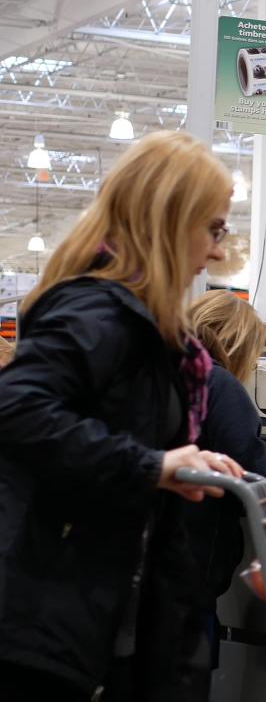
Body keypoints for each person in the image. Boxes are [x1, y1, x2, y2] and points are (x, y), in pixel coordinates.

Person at [0, 131, 245, 702]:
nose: (215, 252)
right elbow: (16, 408)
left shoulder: (144, 330)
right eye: (213, 229)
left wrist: (181, 462)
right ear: (169, 220)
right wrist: (150, 464)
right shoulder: (96, 312)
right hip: (45, 622)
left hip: (93, 618)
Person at [186, 291, 266, 666]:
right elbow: (254, 473)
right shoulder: (218, 384)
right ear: (238, 344)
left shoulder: (161, 374)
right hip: (190, 574)